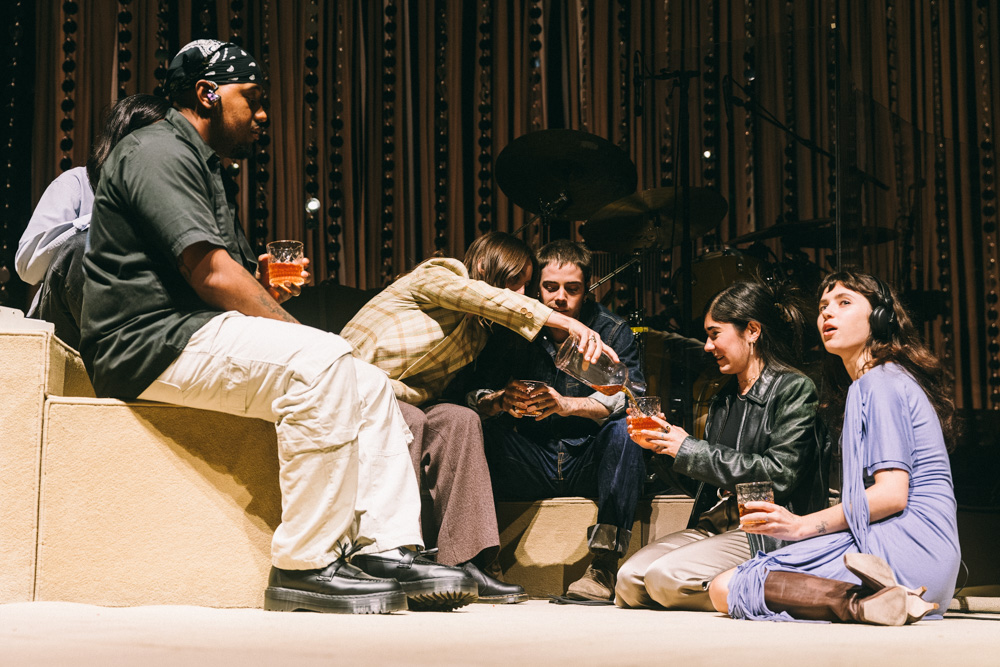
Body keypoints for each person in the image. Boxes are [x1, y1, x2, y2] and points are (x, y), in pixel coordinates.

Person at [80, 39, 477, 614]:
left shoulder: (207, 167)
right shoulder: (157, 150)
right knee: (325, 363)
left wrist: (262, 284)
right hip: (146, 341)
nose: (263, 114)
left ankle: (385, 551)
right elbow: (212, 274)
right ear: (207, 94)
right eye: (253, 98)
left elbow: (223, 271)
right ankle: (307, 565)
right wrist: (299, 332)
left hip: (189, 330)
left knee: (365, 380)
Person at [341, 232, 615, 604]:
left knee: (459, 419)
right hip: (353, 384)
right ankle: (391, 556)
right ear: (484, 268)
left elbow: (459, 391)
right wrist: (571, 324)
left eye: (524, 286)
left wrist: (498, 400)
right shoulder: (437, 275)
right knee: (411, 421)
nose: (520, 295)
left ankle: (466, 562)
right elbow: (481, 297)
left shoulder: (477, 334)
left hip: (403, 399)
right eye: (513, 283)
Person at [708, 271, 959, 625]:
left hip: (905, 549)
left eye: (844, 303)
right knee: (733, 584)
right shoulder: (875, 381)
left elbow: (891, 495)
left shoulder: (881, 382)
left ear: (879, 319)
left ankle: (876, 600)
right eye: (823, 306)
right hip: (921, 558)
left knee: (728, 587)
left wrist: (800, 526)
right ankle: (877, 602)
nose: (827, 313)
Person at [615, 280, 829, 610]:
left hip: (767, 530)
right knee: (629, 580)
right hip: (715, 525)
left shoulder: (793, 389)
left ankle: (772, 591)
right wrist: (662, 448)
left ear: (752, 331)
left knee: (664, 579)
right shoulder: (724, 398)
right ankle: (733, 588)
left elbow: (779, 475)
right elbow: (706, 479)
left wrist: (689, 448)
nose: (706, 346)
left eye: (714, 334)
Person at [468, 240, 647, 602]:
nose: (560, 298)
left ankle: (603, 567)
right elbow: (472, 392)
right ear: (537, 288)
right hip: (531, 456)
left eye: (573, 289)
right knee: (471, 428)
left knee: (626, 430)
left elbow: (630, 399)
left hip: (588, 458)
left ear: (588, 289)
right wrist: (501, 400)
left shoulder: (611, 330)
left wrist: (567, 405)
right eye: (551, 288)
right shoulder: (513, 330)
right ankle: (483, 560)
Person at [16, 94, 171, 348]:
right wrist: (106, 217)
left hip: (134, 328)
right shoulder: (77, 183)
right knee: (81, 247)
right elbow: (27, 267)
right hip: (62, 329)